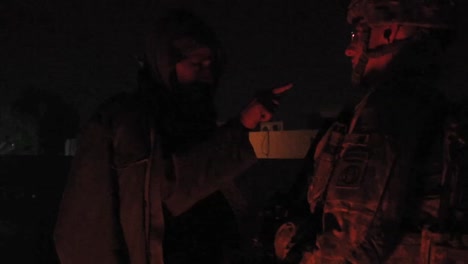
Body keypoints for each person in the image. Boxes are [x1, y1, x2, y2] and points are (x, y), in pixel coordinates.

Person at [53, 9, 292, 264]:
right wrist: (242, 125)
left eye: (211, 65)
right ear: (165, 63)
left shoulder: (199, 123)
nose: (205, 75)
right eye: (196, 64)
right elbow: (85, 230)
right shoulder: (125, 122)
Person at [274, 0, 468, 263]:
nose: (349, 50)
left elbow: (351, 245)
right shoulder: (427, 105)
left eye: (357, 35)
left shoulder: (390, 106)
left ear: (390, 32)